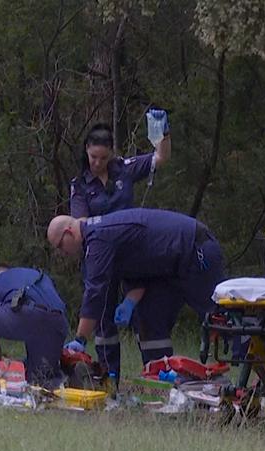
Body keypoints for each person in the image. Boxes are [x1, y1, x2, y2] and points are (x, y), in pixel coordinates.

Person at [47, 208, 224, 365]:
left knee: (221, 319)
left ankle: (248, 377)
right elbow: (140, 270)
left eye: (60, 245)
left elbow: (95, 291)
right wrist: (129, 302)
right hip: (169, 268)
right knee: (149, 317)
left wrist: (81, 339)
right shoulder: (99, 236)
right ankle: (160, 380)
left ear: (69, 232)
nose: (62, 252)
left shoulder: (98, 237)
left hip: (195, 251)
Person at [69, 111, 171, 375]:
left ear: (111, 154)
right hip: (100, 256)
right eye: (93, 157)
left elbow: (161, 158)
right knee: (103, 322)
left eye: (103, 158)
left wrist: (162, 134)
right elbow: (80, 225)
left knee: (144, 315)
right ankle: (108, 379)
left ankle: (156, 374)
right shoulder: (80, 185)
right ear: (86, 151)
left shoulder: (123, 169)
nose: (98, 163)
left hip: (132, 254)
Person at [0, 265, 69, 387]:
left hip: (26, 313)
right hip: (59, 321)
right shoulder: (37, 275)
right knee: (40, 380)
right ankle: (71, 377)